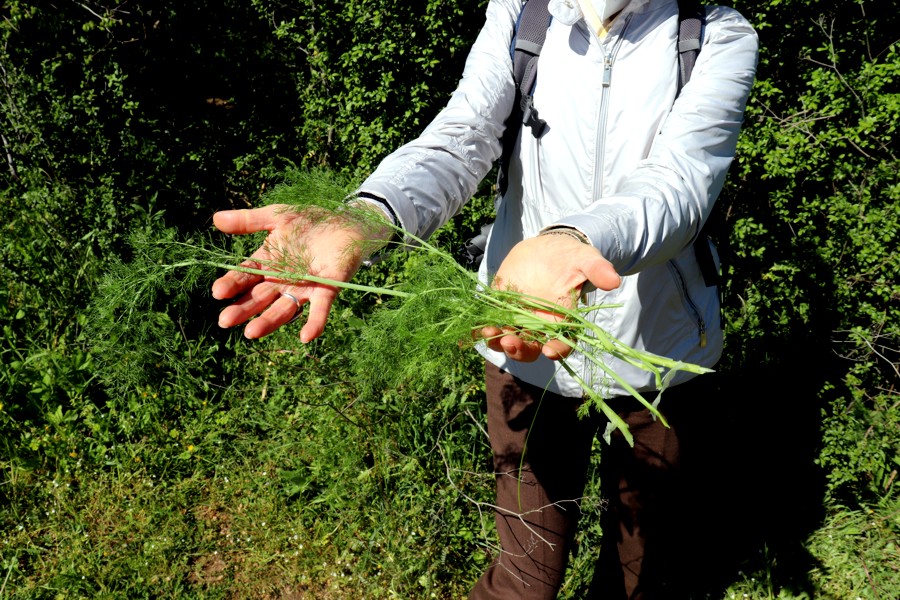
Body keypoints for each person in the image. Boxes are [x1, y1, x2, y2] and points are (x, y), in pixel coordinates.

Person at [211, 0, 758, 597]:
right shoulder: (524, 14)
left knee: (640, 575)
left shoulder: (712, 34)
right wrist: (366, 216)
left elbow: (681, 184)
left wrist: (573, 241)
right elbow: (460, 139)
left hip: (661, 353)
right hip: (519, 340)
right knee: (525, 577)